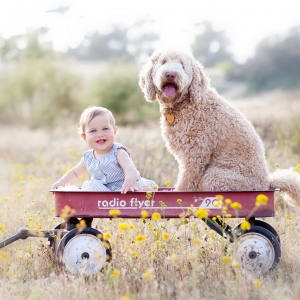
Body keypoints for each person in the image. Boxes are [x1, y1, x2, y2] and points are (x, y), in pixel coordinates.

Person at [51, 106, 157, 194]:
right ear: (84, 137)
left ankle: (145, 205)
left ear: (114, 131)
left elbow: (129, 167)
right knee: (87, 188)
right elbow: (74, 173)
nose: (100, 134)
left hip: (126, 187)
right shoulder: (88, 157)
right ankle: (86, 213)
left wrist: (130, 182)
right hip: (105, 191)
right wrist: (61, 183)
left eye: (105, 129)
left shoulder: (118, 152)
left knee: (143, 190)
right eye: (93, 131)